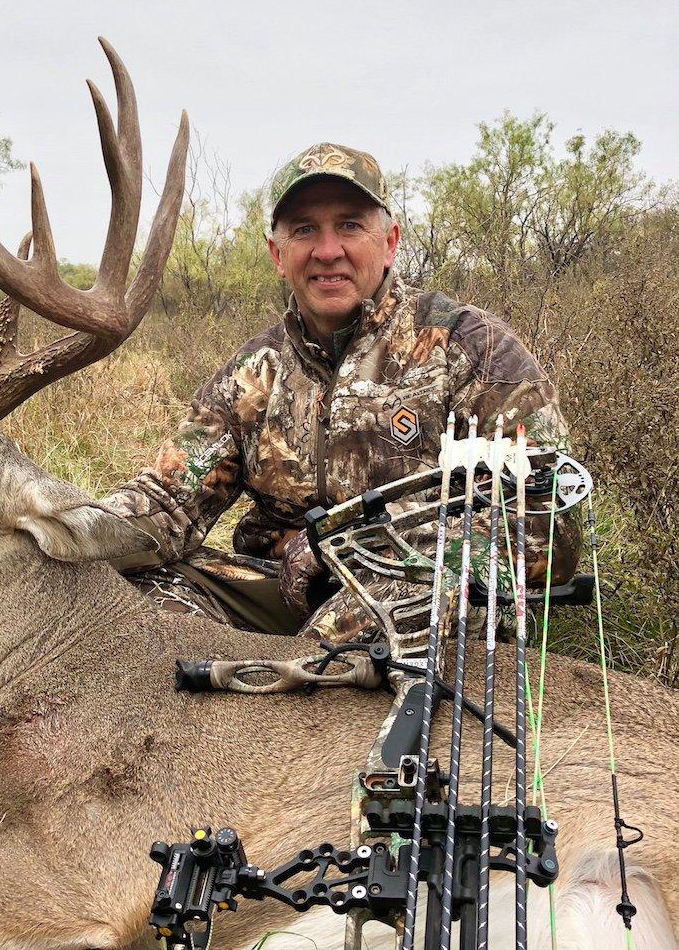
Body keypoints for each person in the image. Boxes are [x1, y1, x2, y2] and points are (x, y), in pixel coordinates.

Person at [102, 142, 580, 689]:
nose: (328, 250)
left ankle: (279, 685)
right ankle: (234, 696)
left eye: (349, 225)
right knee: (131, 589)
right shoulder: (254, 370)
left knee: (372, 615)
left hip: (415, 593)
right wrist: (72, 528)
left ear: (390, 242)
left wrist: (362, 549)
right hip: (281, 588)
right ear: (277, 254)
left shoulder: (474, 348)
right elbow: (167, 500)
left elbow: (550, 520)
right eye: (304, 230)